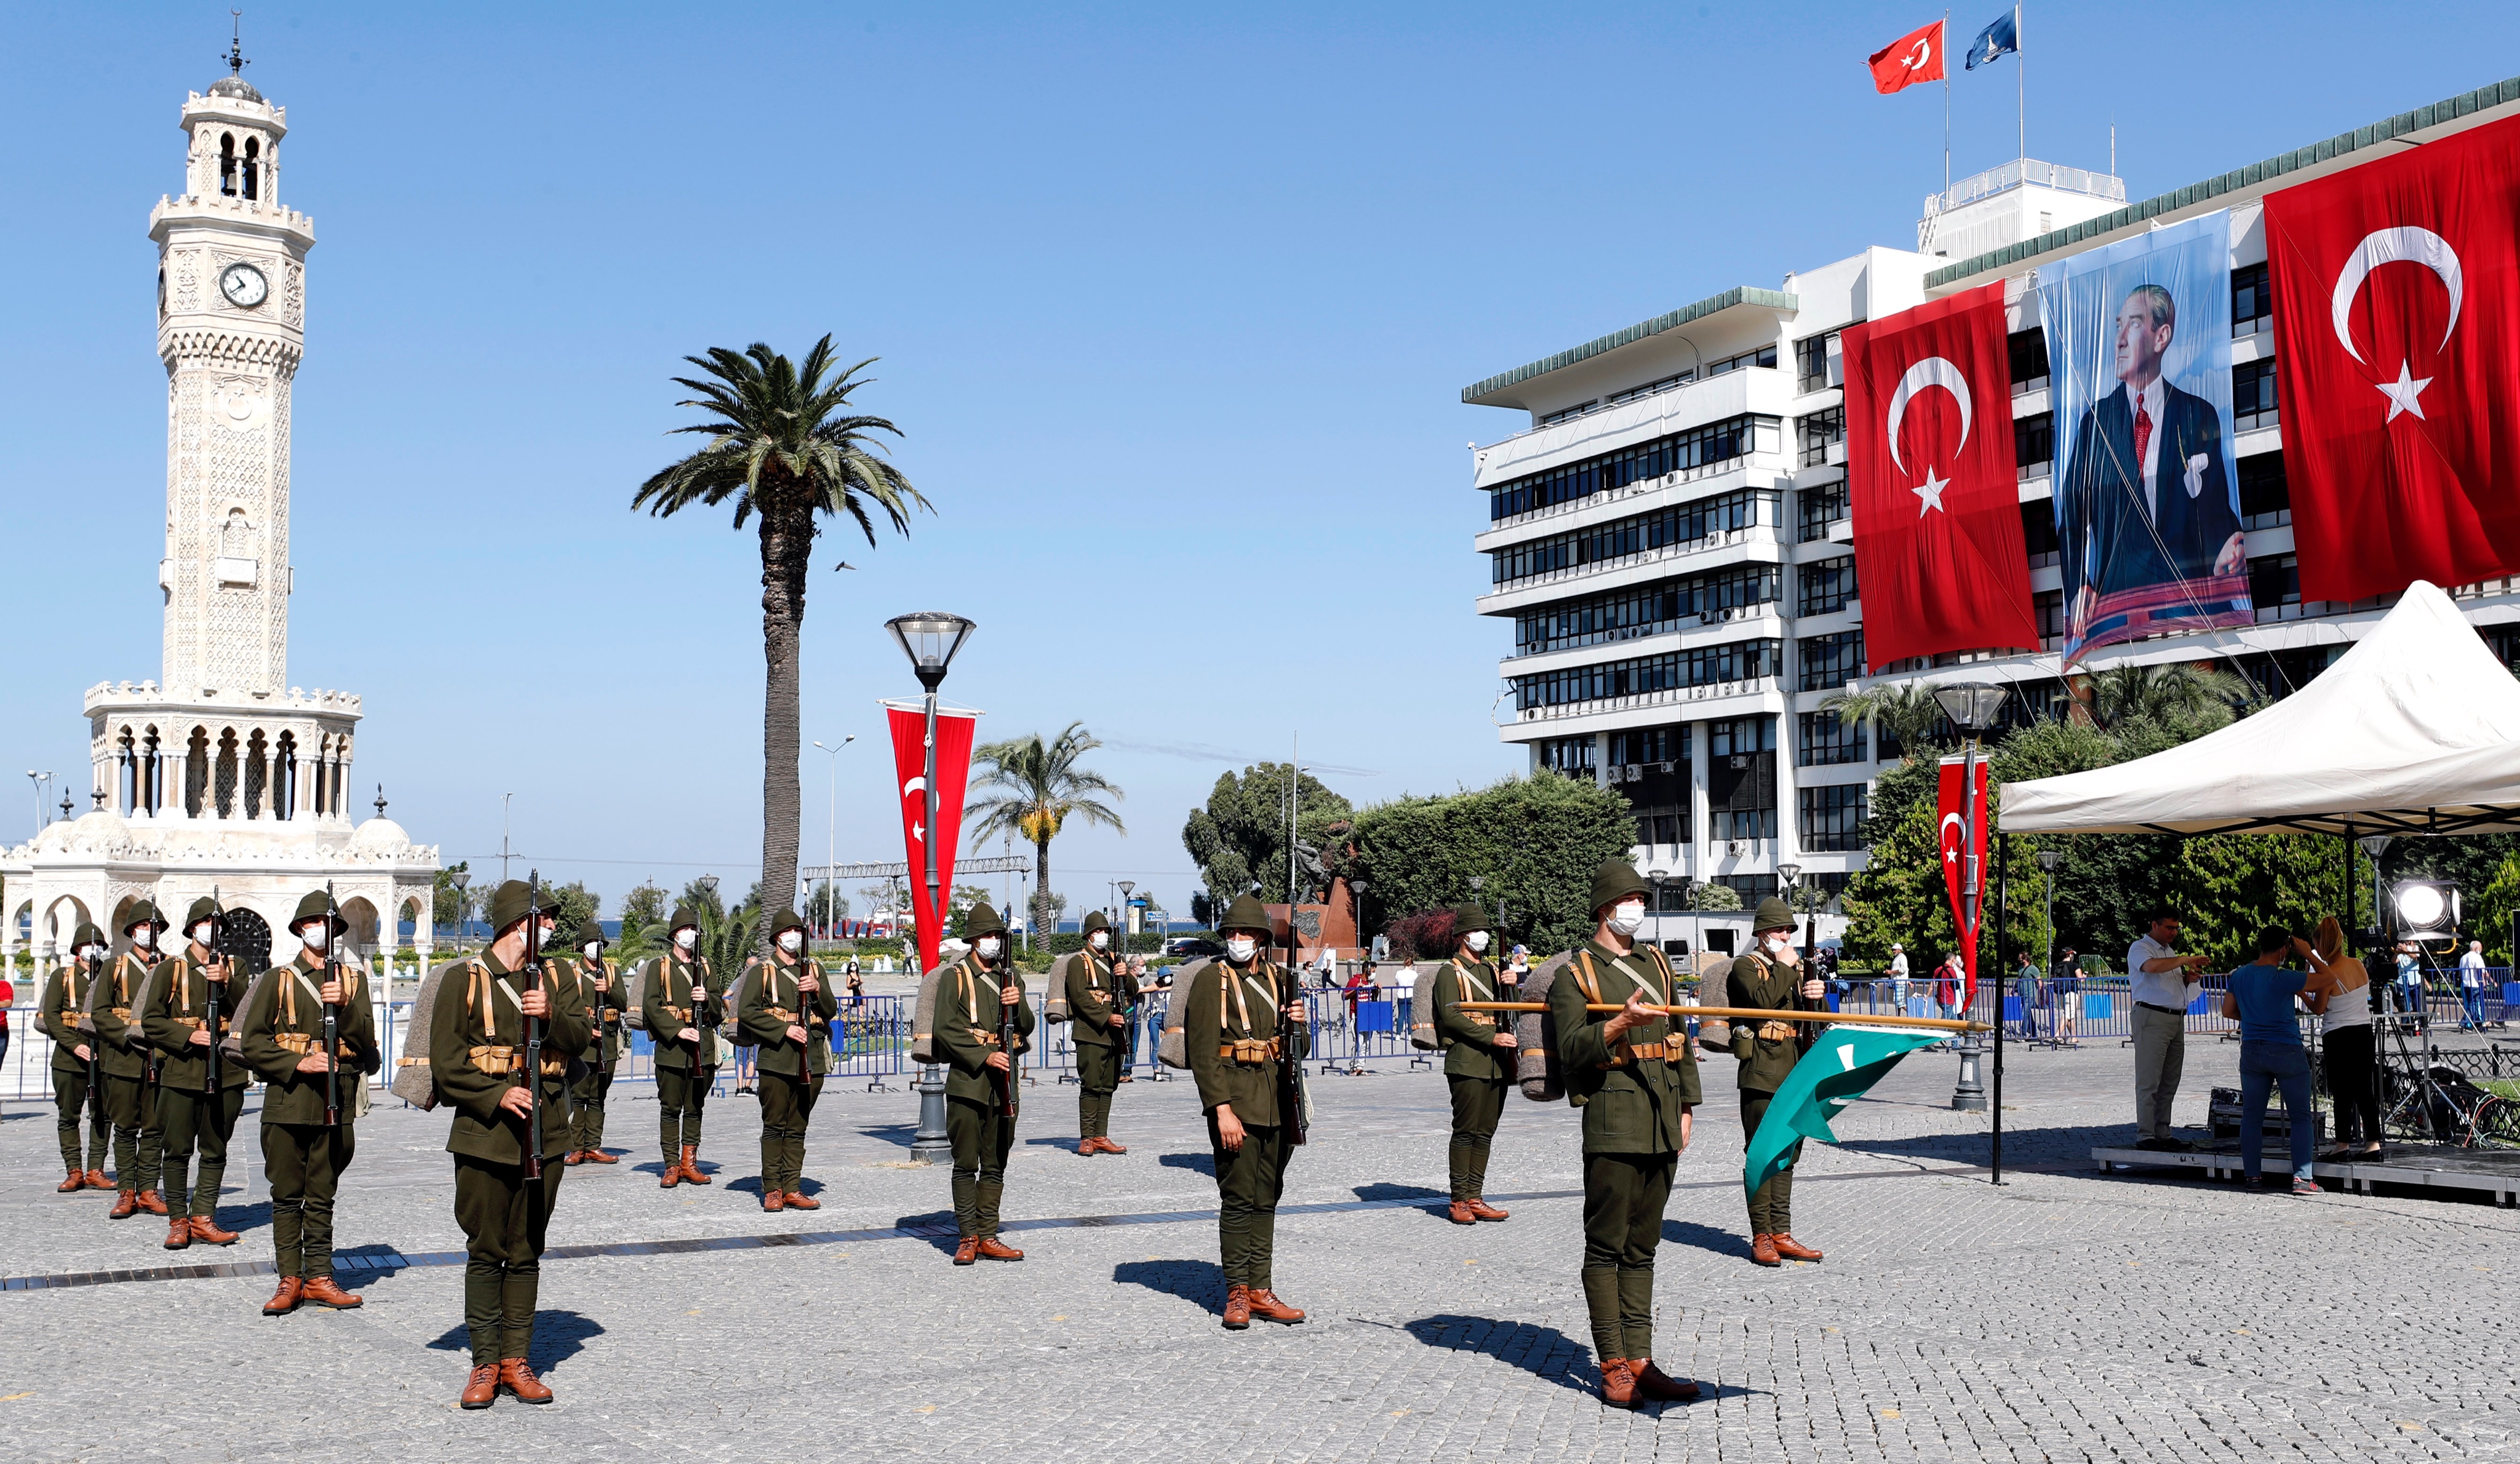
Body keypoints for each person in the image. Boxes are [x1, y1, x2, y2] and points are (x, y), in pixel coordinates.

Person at [1547, 861, 1702, 1408]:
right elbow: (1571, 1048)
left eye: (1642, 898)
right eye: (1629, 899)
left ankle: (1642, 1358)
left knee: (1643, 1246)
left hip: (1663, 1117)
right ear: (1606, 908)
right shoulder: (1577, 975)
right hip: (1614, 1122)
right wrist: (1617, 1024)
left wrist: (1688, 1104)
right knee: (1607, 1245)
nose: (1638, 907)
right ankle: (1612, 1362)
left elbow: (1680, 1037)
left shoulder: (1655, 964)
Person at [433, 879, 586, 1407]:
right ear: (517, 923)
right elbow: (447, 1066)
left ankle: (516, 1362)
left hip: (544, 1132)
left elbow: (583, 1039)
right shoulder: (463, 980)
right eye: (543, 920)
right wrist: (496, 1096)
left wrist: (550, 1014)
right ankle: (484, 1364)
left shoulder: (555, 979)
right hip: (484, 1135)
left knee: (525, 1250)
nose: (550, 928)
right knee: (485, 1251)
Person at [2056, 282, 2243, 643]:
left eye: (2135, 324)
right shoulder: (2095, 425)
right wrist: (2079, 584)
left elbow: (2216, 507)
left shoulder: (2197, 414)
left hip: (2190, 614)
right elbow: (2073, 517)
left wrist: (2226, 544)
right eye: (2117, 325)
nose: (2120, 339)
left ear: (2162, 336)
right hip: (2118, 617)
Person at [241, 891, 380, 1315]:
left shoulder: (353, 982)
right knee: (286, 1195)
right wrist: (299, 1063)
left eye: (333, 924)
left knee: (322, 1194)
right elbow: (252, 1043)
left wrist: (345, 1007)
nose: (327, 931)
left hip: (335, 1103)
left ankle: (319, 1275)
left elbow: (370, 1054)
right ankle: (290, 1278)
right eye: (318, 923)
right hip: (288, 1102)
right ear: (302, 928)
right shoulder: (278, 979)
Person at [1186, 894, 1310, 1327]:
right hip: (1236, 1102)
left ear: (1261, 938)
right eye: (1232, 933)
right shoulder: (1210, 979)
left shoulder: (1280, 977)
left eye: (1247, 933)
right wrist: (1221, 1110)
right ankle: (1237, 1290)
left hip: (1277, 1102)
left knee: (1268, 1197)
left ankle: (1261, 1289)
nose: (1238, 939)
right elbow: (1202, 1053)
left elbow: (1299, 1049)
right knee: (1238, 1199)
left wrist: (1299, 1022)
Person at [143, 896, 251, 1251]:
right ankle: (178, 1220)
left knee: (216, 1147)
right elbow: (151, 1021)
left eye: (219, 924)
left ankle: (203, 1216)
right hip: (181, 1069)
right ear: (192, 929)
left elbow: (249, 1014)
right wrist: (189, 1035)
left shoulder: (237, 968)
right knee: (175, 1149)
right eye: (206, 922)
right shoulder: (171, 969)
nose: (212, 930)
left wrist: (226, 982)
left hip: (227, 1072)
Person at [1729, 896, 1827, 1269]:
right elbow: (1761, 1003)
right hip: (1760, 1073)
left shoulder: (1793, 970)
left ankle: (1782, 1233)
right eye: (1779, 930)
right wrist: (1787, 969)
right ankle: (1762, 1236)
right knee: (1761, 1153)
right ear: (1761, 932)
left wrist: (1814, 998)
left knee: (1787, 1154)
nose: (1786, 936)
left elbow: (1806, 1024)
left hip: (1793, 1070)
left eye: (1789, 930)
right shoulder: (1745, 966)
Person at [934, 902, 1034, 1263]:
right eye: (989, 935)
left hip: (1004, 1085)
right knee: (965, 1163)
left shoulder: (1011, 977)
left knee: (996, 1162)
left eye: (998, 935)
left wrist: (1018, 1001)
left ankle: (989, 1234)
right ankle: (968, 1236)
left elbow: (1027, 1026)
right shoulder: (955, 977)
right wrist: (983, 1056)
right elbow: (944, 1030)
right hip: (968, 1082)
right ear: (975, 939)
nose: (994, 941)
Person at [740, 909, 837, 1211]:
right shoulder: (762, 972)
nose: (795, 936)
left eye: (799, 931)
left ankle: (793, 1187)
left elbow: (831, 1009)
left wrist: (818, 989)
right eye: (789, 931)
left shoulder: (813, 968)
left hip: (812, 1057)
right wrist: (784, 1029)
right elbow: (748, 1011)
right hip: (777, 1056)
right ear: (777, 937)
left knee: (798, 1125)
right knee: (774, 1125)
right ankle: (772, 1189)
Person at [1431, 902, 1515, 1225]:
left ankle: (1475, 1197)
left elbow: (1510, 1012)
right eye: (1479, 931)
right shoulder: (1448, 972)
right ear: (1464, 936)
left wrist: (1510, 985)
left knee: (1486, 1132)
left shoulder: (1492, 971)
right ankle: (1458, 1199)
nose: (1484, 937)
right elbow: (1451, 1016)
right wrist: (1490, 1038)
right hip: (1467, 1061)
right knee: (1466, 1131)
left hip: (1496, 1063)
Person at [2220, 928, 2321, 1195]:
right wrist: (2308, 953)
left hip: (2252, 1050)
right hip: (2286, 1048)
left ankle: (2252, 1177)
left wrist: (2256, 1019)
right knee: (2300, 1116)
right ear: (2284, 950)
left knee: (2252, 1117)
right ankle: (2302, 1179)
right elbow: (2328, 979)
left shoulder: (2240, 975)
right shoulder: (2283, 977)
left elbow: (2227, 1011)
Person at [94, 904, 169, 1219]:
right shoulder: (115, 966)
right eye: (142, 926)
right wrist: (130, 1035)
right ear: (132, 931)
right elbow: (99, 1013)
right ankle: (127, 1190)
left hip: (159, 1056)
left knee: (153, 1128)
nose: (149, 932)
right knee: (125, 1127)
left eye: (154, 927)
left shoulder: (170, 966)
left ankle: (149, 1189)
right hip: (123, 1058)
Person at [641, 905, 720, 1188]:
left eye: (694, 930)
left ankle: (689, 1163)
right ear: (675, 935)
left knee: (695, 1107)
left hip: (703, 1049)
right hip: (673, 1050)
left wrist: (707, 999)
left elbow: (720, 1007)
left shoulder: (706, 967)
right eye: (687, 929)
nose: (691, 935)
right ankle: (672, 1165)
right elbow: (651, 1006)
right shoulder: (659, 967)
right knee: (671, 1108)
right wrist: (678, 1030)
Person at [2128, 908, 2210, 1150]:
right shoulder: (2140, 948)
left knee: (2170, 1079)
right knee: (2149, 1079)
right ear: (2154, 925)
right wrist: (2186, 960)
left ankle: (2162, 1131)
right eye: (2169, 928)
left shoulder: (2169, 952)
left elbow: (2166, 979)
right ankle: (2146, 1135)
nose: (2174, 932)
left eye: (2176, 928)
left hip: (2175, 1018)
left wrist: (2187, 979)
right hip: (2152, 1016)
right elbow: (2151, 968)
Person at [41, 924, 112, 1193]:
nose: (93, 950)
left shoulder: (109, 973)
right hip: (69, 1058)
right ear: (77, 950)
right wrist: (74, 1046)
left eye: (98, 946)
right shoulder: (63, 976)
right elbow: (52, 1017)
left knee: (102, 1115)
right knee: (69, 1115)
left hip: (103, 1056)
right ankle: (74, 1169)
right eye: (87, 945)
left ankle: (96, 1168)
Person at [2305, 918, 2380, 1161]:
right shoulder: (2357, 964)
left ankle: (2342, 1143)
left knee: (2343, 1092)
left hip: (2339, 1034)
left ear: (2320, 944)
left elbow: (2318, 1008)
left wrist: (2299, 993)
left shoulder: (2328, 974)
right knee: (2365, 1090)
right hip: (2363, 1031)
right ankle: (2374, 1142)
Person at [1058, 911, 1131, 1155]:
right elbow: (1079, 998)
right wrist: (1105, 1017)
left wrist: (1125, 973)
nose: (1103, 936)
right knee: (1091, 1084)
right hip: (1091, 1030)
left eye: (1105, 932)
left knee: (1109, 1084)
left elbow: (1134, 988)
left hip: (1115, 1030)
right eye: (1099, 932)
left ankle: (1101, 1135)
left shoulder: (1113, 960)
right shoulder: (1079, 962)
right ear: (1089, 935)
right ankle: (1087, 1137)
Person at [564, 919, 623, 1165]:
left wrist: (608, 990)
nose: (595, 948)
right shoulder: (572, 974)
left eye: (599, 943)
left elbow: (623, 1002)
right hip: (581, 1045)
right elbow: (564, 1010)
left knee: (599, 1097)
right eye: (590, 943)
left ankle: (594, 1146)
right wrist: (587, 1030)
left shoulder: (611, 972)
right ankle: (577, 1148)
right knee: (579, 1097)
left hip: (606, 1044)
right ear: (581, 947)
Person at [2458, 940, 2490, 1032]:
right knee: (2474, 1005)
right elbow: (2482, 971)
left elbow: (2460, 971)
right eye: (2480, 949)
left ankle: (2477, 1023)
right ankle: (2463, 1023)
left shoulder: (2463, 958)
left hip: (2465, 984)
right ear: (2476, 948)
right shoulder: (2477, 957)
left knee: (2470, 1004)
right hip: (2475, 984)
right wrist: (2485, 980)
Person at [2052, 948, 2082, 1044]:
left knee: (2069, 1015)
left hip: (2060, 993)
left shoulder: (2056, 966)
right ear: (2070, 955)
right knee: (2068, 1014)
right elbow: (2080, 979)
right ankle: (2058, 1035)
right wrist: (2085, 977)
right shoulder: (2074, 965)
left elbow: (2052, 979)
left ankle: (2074, 1037)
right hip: (2071, 992)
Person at [1888, 944, 1910, 1012]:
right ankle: (1898, 1017)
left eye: (1894, 950)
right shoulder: (1898, 957)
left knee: (1899, 1002)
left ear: (1899, 950)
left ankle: (1913, 1012)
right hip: (1897, 982)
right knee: (1898, 1002)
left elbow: (1903, 969)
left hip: (1900, 983)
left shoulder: (1902, 957)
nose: (1893, 951)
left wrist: (1891, 972)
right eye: (1893, 950)